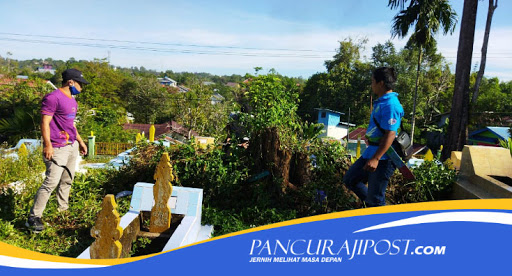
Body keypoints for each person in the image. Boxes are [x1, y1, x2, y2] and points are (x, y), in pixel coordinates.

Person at [26, 69, 89, 232]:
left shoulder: (72, 101)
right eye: (80, 84)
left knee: (67, 180)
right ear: (71, 82)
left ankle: (62, 212)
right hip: (57, 147)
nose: (82, 87)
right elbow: (44, 122)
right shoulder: (53, 98)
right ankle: (34, 217)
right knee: (51, 182)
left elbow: (71, 125)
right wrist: (47, 144)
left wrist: (80, 142)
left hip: (71, 146)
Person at [343, 67, 404, 207]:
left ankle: (376, 213)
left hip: (383, 157)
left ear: (381, 83)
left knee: (375, 199)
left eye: (372, 82)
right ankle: (373, 208)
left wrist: (376, 159)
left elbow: (391, 133)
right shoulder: (382, 102)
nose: (372, 85)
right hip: (372, 151)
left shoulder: (391, 105)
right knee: (350, 179)